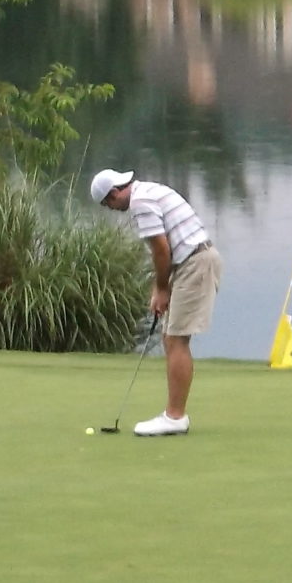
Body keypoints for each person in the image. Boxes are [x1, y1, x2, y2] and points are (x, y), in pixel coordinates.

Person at [91, 168, 220, 437]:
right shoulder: (148, 191)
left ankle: (175, 418)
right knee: (170, 338)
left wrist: (163, 288)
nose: (111, 209)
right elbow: (164, 251)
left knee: (177, 339)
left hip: (195, 263)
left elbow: (161, 249)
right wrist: (159, 287)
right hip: (190, 261)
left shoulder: (140, 204)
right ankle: (174, 415)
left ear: (115, 193)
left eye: (108, 203)